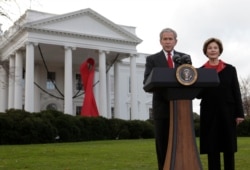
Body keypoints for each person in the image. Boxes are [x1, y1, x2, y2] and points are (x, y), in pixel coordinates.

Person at [143, 28, 191, 170]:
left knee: (181, 143)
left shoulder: (185, 58)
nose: (168, 42)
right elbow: (146, 82)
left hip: (181, 108)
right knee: (162, 144)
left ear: (175, 41)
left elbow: (190, 79)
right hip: (162, 108)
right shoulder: (152, 60)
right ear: (160, 41)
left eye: (170, 39)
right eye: (165, 39)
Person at [197, 37, 245, 170]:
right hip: (209, 114)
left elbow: (236, 92)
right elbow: (198, 95)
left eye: (215, 48)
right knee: (212, 148)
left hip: (227, 113)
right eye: (210, 48)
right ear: (206, 51)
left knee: (228, 148)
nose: (213, 50)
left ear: (219, 51)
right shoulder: (200, 71)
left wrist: (239, 114)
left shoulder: (230, 69)